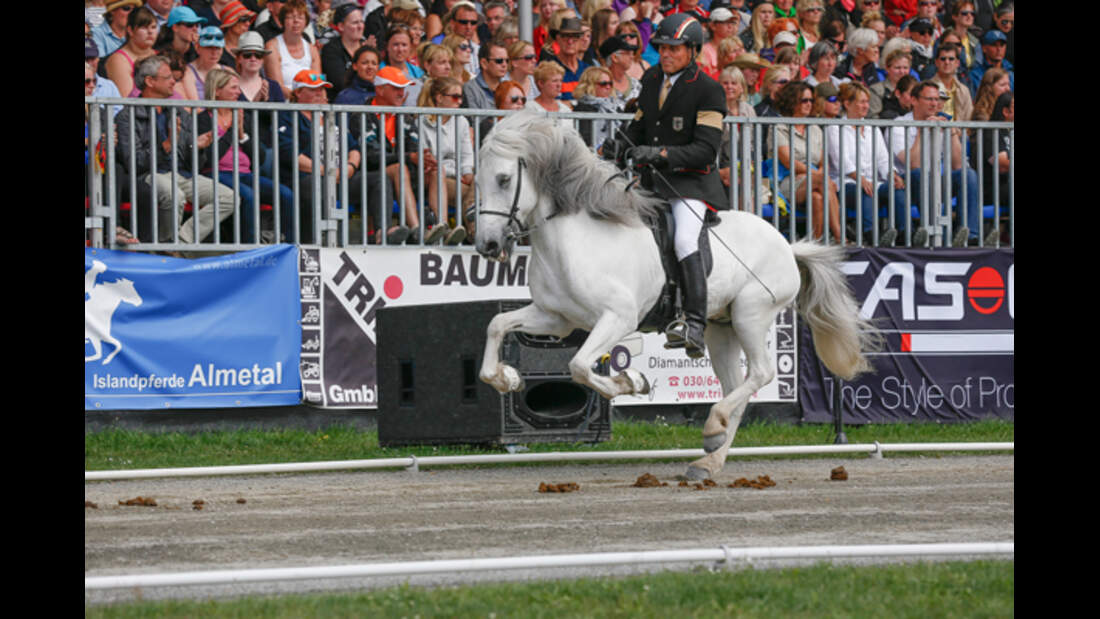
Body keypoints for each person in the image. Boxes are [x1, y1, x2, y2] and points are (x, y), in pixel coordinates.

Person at [607, 13, 728, 359]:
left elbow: (705, 150)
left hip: (690, 184)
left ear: (692, 50)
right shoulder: (651, 79)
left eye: (674, 49)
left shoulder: (709, 90)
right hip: (652, 182)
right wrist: (619, 145)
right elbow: (640, 123)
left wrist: (660, 154)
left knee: (684, 238)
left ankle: (694, 323)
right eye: (661, 48)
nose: (665, 54)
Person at [116, 55, 237, 246]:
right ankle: (167, 244)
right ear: (150, 81)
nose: (174, 81)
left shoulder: (178, 111)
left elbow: (195, 163)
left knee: (229, 197)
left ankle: (180, 241)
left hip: (183, 174)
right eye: (168, 77)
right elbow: (133, 162)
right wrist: (165, 146)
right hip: (151, 174)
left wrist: (197, 147)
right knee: (175, 196)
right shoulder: (128, 115)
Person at [277, 69, 376, 244]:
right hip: (308, 177)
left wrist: (350, 167)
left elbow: (354, 147)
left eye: (322, 89)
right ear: (298, 93)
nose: (320, 93)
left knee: (378, 180)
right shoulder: (288, 116)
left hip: (340, 176)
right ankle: (315, 242)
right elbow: (289, 153)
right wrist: (327, 171)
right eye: (313, 89)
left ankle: (383, 234)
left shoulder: (332, 116)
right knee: (314, 186)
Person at [198, 67, 296, 243]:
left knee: (286, 194)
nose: (239, 92)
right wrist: (231, 131)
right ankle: (249, 246)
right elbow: (210, 158)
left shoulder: (243, 116)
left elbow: (259, 158)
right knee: (248, 196)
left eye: (238, 88)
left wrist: (242, 135)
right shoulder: (203, 119)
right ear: (217, 91)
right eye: (233, 88)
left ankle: (288, 244)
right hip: (216, 173)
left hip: (244, 173)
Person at [888, 80, 980, 246]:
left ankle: (968, 235)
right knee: (919, 174)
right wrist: (922, 131)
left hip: (936, 182)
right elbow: (913, 164)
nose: (934, 104)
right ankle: (935, 235)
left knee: (969, 175)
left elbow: (958, 165)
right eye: (929, 99)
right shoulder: (899, 126)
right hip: (908, 184)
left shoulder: (940, 122)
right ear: (914, 100)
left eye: (937, 99)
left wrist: (951, 133)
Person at [359, 66, 437, 243]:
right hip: (372, 176)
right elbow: (371, 157)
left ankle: (441, 228)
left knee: (435, 170)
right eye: (396, 88)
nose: (402, 93)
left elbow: (414, 148)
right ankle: (417, 229)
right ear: (380, 89)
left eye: (403, 88)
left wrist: (424, 161)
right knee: (399, 168)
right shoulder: (363, 115)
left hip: (404, 176)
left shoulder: (405, 116)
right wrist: (409, 158)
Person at [825, 81, 909, 245]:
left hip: (873, 182)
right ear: (847, 104)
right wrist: (861, 179)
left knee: (897, 189)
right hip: (845, 183)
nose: (866, 106)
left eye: (867, 102)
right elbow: (841, 161)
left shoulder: (872, 128)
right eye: (861, 102)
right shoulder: (834, 127)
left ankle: (905, 234)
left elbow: (883, 159)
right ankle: (870, 234)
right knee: (864, 190)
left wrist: (892, 174)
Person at [771, 80, 843, 242]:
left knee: (817, 197)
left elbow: (824, 163)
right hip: (788, 181)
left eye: (811, 100)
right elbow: (789, 162)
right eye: (804, 100)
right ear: (792, 101)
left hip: (814, 180)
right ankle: (840, 235)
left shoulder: (815, 128)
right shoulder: (779, 127)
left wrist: (816, 175)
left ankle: (815, 245)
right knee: (823, 181)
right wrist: (816, 175)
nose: (809, 104)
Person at [418, 77, 475, 245]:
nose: (460, 102)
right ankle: (468, 233)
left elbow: (466, 155)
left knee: (481, 181)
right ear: (439, 98)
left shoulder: (462, 121)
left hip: (457, 177)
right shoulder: (422, 121)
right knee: (476, 194)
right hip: (433, 176)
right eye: (455, 97)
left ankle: (474, 231)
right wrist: (458, 175)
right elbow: (428, 158)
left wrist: (468, 173)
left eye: (461, 97)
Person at [264, 0, 323, 99]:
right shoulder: (272, 47)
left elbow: (317, 82)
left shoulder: (312, 50)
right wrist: (299, 99)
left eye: (300, 17)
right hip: (284, 103)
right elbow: (277, 87)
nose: (296, 21)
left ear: (306, 22)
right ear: (283, 21)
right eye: (290, 17)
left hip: (309, 101)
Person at [103, 5, 160, 98]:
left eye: (153, 27)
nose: (150, 31)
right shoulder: (118, 60)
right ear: (130, 30)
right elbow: (127, 99)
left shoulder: (161, 56)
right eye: (144, 27)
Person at [571, 66, 621, 149]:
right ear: (590, 85)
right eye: (603, 84)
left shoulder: (614, 107)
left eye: (610, 83)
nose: (608, 87)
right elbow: (584, 137)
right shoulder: (583, 107)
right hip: (591, 153)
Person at [320, 3, 367, 92]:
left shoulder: (367, 49)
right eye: (355, 23)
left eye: (361, 22)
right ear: (341, 26)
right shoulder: (331, 50)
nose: (360, 26)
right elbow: (340, 83)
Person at [544, 17, 590, 101]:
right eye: (565, 36)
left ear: (581, 40)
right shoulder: (547, 69)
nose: (570, 41)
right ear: (558, 39)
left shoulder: (587, 70)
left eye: (575, 36)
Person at [181, 26, 234, 101]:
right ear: (197, 47)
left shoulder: (228, 72)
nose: (214, 52)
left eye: (218, 48)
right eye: (209, 47)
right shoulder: (188, 72)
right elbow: (194, 105)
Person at [462, 40, 511, 109]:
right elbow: (474, 115)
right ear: (484, 63)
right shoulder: (470, 88)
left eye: (507, 61)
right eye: (499, 61)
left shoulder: (510, 88)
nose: (504, 64)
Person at [929, 41, 971, 121]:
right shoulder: (927, 89)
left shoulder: (964, 90)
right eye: (943, 59)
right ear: (936, 62)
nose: (947, 62)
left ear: (957, 63)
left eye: (951, 59)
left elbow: (969, 120)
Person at [967, 29, 1012, 99]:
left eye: (1002, 45)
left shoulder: (1011, 74)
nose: (999, 49)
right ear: (984, 48)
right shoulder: (974, 75)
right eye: (994, 45)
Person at [526, 60, 574, 125]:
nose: (559, 85)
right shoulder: (529, 108)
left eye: (561, 80)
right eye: (554, 81)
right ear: (541, 83)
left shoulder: (565, 109)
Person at [868, 47, 910, 118]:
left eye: (905, 68)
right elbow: (873, 118)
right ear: (887, 68)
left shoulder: (916, 89)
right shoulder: (876, 90)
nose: (902, 71)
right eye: (897, 68)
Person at [600, 35, 642, 106]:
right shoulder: (599, 85)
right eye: (628, 53)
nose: (632, 57)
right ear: (615, 58)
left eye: (632, 53)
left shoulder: (636, 85)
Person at [699, 7, 741, 79]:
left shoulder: (737, 48)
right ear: (713, 26)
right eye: (725, 22)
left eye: (732, 22)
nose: (730, 26)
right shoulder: (704, 51)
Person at [217, 1, 258, 67]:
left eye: (249, 19)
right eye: (243, 19)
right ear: (230, 24)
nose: (248, 23)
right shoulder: (217, 48)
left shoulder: (252, 45)